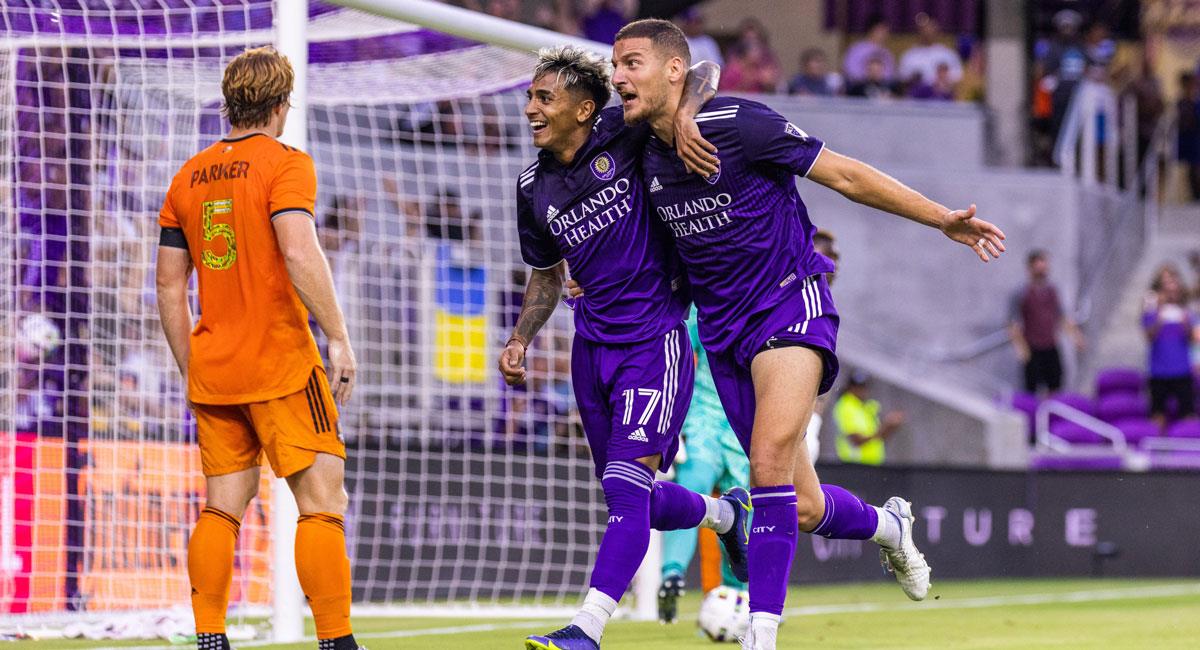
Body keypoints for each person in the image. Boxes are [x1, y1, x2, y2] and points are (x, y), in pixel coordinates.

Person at [611, 19, 1006, 649]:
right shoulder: (637, 146)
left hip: (789, 306)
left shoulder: (743, 124)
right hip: (722, 332)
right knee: (803, 507)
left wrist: (941, 220)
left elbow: (845, 176)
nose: (618, 76)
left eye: (632, 62)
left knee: (765, 463)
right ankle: (888, 527)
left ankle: (761, 636)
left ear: (674, 71)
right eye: (615, 64)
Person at [501, 47, 751, 650]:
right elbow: (545, 273)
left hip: (655, 338)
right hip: (592, 347)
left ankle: (586, 628)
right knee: (627, 493)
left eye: (544, 98)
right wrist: (519, 337)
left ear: (585, 109)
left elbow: (703, 72)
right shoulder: (532, 186)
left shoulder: (625, 130)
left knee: (622, 486)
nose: (530, 108)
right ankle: (725, 517)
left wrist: (687, 116)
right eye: (530, 97)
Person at [155, 47, 360, 650]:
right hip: (282, 363)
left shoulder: (186, 176)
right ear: (280, 104)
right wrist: (340, 338)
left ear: (230, 102)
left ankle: (211, 639)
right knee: (323, 500)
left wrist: (193, 367)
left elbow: (169, 284)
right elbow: (298, 250)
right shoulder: (286, 163)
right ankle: (336, 642)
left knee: (222, 508)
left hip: (215, 368)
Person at [1008, 250, 1085, 396]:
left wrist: (1076, 337)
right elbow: (1012, 323)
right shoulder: (1021, 293)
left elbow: (1062, 317)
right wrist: (1021, 348)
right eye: (1039, 268)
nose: (1042, 272)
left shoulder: (1052, 291)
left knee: (1055, 386)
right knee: (1031, 389)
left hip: (1051, 345)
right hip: (1032, 348)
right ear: (1030, 269)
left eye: (1044, 268)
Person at [1143, 265, 1197, 426]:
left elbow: (1193, 339)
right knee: (1157, 414)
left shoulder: (1187, 312)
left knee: (1187, 413)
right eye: (1168, 291)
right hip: (1159, 371)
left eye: (1175, 291)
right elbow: (1149, 336)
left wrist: (1187, 324)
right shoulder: (1151, 312)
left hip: (1182, 370)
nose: (1172, 294)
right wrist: (1159, 318)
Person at [833, 371, 904, 465]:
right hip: (854, 465)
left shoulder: (865, 407)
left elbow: (878, 437)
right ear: (850, 387)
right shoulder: (846, 406)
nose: (862, 390)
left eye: (864, 387)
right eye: (857, 387)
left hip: (872, 464)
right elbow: (856, 440)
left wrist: (890, 427)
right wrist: (884, 426)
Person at [898, 13, 962, 89]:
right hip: (915, 98)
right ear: (919, 31)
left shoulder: (947, 54)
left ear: (937, 30)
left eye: (931, 28)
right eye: (924, 29)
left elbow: (957, 77)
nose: (927, 32)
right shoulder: (909, 55)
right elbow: (902, 78)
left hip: (942, 97)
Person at [843, 16, 895, 83]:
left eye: (886, 31)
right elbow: (850, 71)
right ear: (872, 30)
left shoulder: (887, 53)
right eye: (881, 30)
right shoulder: (857, 49)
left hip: (881, 89)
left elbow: (890, 76)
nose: (885, 34)